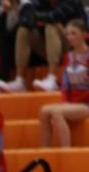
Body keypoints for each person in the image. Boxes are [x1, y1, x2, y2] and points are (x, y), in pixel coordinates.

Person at [0, 0, 82, 93]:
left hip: (72, 47)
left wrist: (39, 18)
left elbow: (55, 16)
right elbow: (28, 19)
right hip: (51, 49)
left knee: (51, 25)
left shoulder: (72, 1)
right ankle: (19, 80)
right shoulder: (41, 2)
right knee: (23, 29)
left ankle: (52, 79)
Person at [38, 20, 89, 148]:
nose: (70, 37)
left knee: (57, 112)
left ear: (84, 35)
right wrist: (65, 102)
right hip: (73, 103)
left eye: (74, 33)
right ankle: (45, 152)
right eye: (67, 34)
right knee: (44, 111)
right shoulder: (68, 57)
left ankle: (66, 151)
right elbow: (65, 86)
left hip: (86, 104)